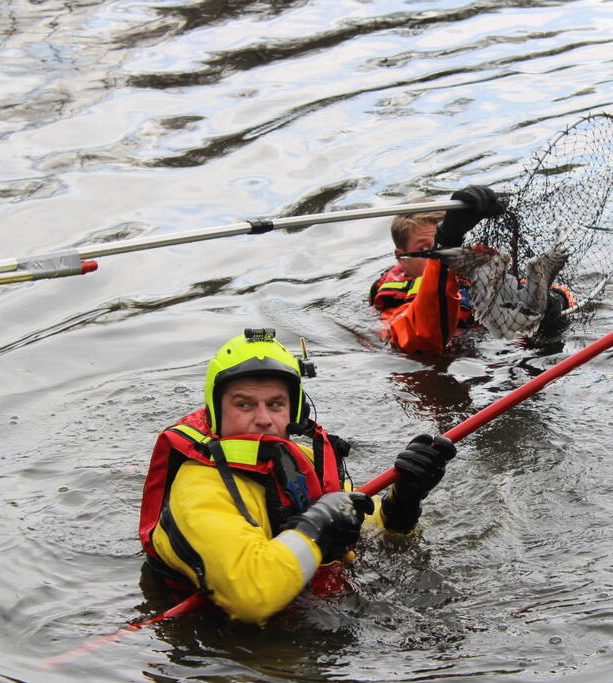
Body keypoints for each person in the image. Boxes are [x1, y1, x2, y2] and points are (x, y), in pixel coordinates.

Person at [138, 328, 455, 624]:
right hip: (216, 641)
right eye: (244, 404)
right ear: (217, 411)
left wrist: (403, 502)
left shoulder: (300, 461)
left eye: (275, 404)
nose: (263, 419)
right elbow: (251, 596)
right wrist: (315, 527)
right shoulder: (199, 488)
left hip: (313, 619)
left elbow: (370, 535)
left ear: (295, 412)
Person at [369, 185, 573, 353]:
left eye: (436, 245)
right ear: (401, 257)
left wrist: (555, 299)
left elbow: (538, 289)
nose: (432, 254)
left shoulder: (472, 272)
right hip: (444, 364)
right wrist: (446, 242)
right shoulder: (394, 302)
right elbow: (423, 337)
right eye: (424, 249)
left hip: (496, 352)